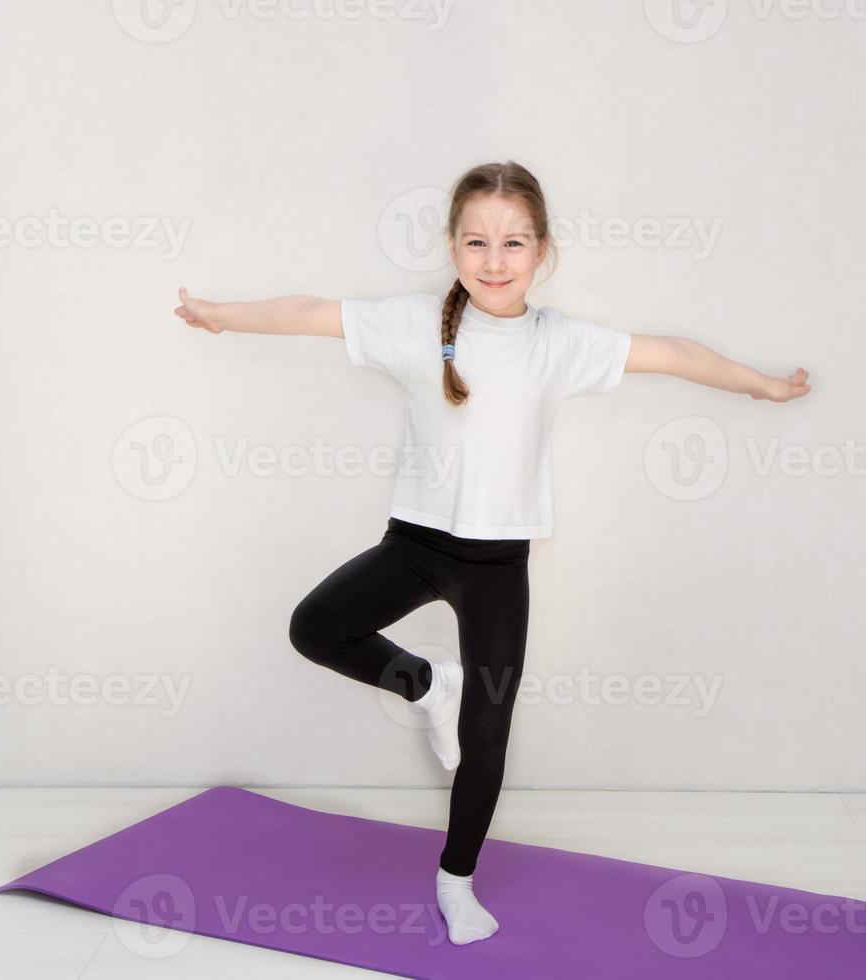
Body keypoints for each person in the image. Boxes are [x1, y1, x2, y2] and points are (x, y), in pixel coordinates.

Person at [171, 160, 811, 946]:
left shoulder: (558, 343)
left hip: (499, 566)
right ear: (451, 246)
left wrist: (761, 387)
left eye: (512, 243)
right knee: (315, 627)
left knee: (489, 731)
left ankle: (456, 879)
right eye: (476, 241)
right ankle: (424, 684)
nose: (494, 260)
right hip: (416, 544)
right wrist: (221, 316)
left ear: (541, 251)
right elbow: (309, 311)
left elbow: (675, 353)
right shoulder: (414, 327)